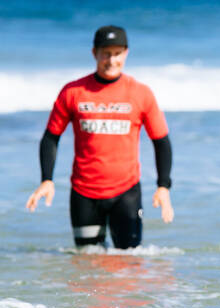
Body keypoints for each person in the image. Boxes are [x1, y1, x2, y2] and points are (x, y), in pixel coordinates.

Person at [26, 25, 174, 248]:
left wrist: (163, 186)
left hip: (126, 192)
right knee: (87, 263)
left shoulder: (141, 93)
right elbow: (51, 137)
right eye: (106, 53)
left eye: (117, 54)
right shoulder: (73, 92)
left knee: (128, 264)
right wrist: (47, 179)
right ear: (94, 53)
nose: (112, 60)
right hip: (84, 193)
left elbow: (161, 141)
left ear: (126, 53)